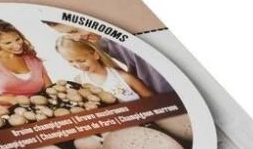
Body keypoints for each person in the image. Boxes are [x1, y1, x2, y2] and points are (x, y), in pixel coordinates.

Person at [42, 20, 173, 94]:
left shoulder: (134, 37)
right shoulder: (102, 42)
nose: (76, 38)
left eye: (74, 31)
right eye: (67, 34)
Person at [0, 20, 52, 104]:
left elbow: (49, 87)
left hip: (42, 106)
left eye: (18, 39)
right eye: (8, 43)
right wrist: (9, 100)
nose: (17, 46)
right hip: (8, 110)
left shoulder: (28, 54)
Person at [55, 36, 152, 101]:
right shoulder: (79, 82)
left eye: (81, 60)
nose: (78, 66)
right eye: (71, 61)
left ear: (96, 55)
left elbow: (152, 100)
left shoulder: (125, 78)